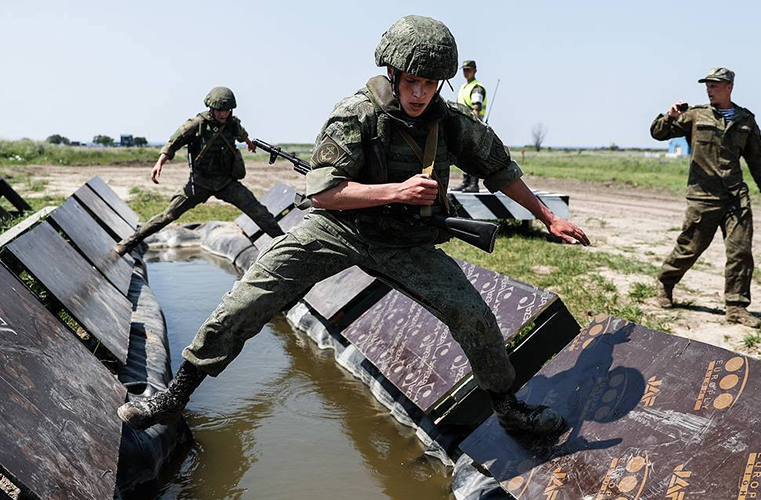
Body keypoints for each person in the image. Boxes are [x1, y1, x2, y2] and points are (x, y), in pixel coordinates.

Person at [118, 15, 589, 437]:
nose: (419, 93)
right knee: (251, 295)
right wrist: (395, 192)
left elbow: (500, 169)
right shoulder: (356, 113)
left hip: (407, 243)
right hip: (338, 227)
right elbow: (322, 193)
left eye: (429, 83)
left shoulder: (453, 124)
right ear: (393, 74)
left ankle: (508, 409)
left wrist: (548, 217)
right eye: (411, 81)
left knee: (472, 314)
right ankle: (175, 395)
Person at [650, 67, 761, 328]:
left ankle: (736, 307)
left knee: (741, 252)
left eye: (714, 85)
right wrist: (669, 115)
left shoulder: (745, 119)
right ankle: (665, 283)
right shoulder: (695, 115)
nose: (709, 89)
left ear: (729, 87)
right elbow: (659, 133)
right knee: (689, 248)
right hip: (703, 196)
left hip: (735, 197)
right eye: (707, 85)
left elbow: (756, 158)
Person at [114, 87, 283, 255]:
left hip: (226, 182)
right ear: (212, 108)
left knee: (258, 211)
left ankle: (287, 245)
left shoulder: (233, 124)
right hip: (200, 183)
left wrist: (249, 143)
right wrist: (159, 163)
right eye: (220, 111)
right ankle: (129, 242)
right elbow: (173, 143)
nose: (224, 114)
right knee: (169, 215)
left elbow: (242, 134)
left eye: (227, 110)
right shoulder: (197, 124)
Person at [452, 60, 488, 193]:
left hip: (472, 125)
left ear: (475, 70)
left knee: (472, 155)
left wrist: (473, 127)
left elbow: (476, 108)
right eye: (464, 70)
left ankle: (473, 183)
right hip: (461, 124)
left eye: (468, 69)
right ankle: (466, 182)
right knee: (463, 154)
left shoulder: (476, 87)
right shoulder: (463, 87)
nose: (466, 72)